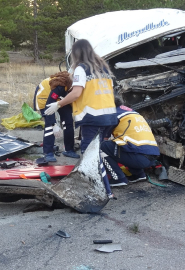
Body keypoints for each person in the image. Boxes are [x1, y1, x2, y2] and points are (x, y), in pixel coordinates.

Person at [44, 39, 118, 197]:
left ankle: (104, 191)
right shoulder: (103, 68)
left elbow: (77, 93)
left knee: (90, 156)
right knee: (98, 153)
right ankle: (107, 186)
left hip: (92, 118)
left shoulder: (81, 69)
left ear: (76, 54)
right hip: (109, 117)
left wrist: (59, 104)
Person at [101, 96, 160, 187]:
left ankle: (118, 179)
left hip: (139, 158)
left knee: (102, 147)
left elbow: (103, 139)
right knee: (126, 145)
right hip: (152, 156)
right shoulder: (132, 112)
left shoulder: (113, 114)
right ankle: (138, 174)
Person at [34, 71, 80, 163]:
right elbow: (49, 104)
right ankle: (48, 152)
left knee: (68, 121)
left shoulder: (76, 85)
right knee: (49, 127)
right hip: (46, 98)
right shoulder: (60, 86)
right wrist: (54, 124)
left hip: (61, 99)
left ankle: (69, 149)